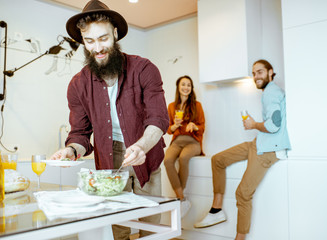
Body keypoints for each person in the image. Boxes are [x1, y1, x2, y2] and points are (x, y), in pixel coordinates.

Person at [50, 0, 169, 239]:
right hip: (108, 153)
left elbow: (158, 119)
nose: (97, 48)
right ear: (83, 41)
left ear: (115, 33)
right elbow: (80, 134)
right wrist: (71, 151)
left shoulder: (144, 69)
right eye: (90, 41)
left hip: (146, 148)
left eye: (103, 38)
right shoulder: (77, 84)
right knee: (118, 222)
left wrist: (141, 146)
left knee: (151, 223)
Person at [194, 60, 291, 240]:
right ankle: (216, 209)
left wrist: (253, 124)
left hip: (269, 149)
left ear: (271, 72)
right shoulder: (270, 92)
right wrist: (255, 126)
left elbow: (274, 124)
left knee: (242, 193)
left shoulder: (271, 92)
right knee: (217, 160)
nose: (256, 77)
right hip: (259, 143)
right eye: (254, 73)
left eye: (260, 72)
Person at [164, 75, 205, 218]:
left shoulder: (197, 105)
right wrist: (175, 125)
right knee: (168, 161)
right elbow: (168, 129)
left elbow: (202, 126)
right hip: (177, 141)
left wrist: (194, 126)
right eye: (183, 84)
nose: (186, 87)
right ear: (178, 87)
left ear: (191, 88)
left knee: (184, 157)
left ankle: (180, 198)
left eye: (189, 85)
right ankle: (182, 199)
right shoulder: (171, 106)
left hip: (192, 141)